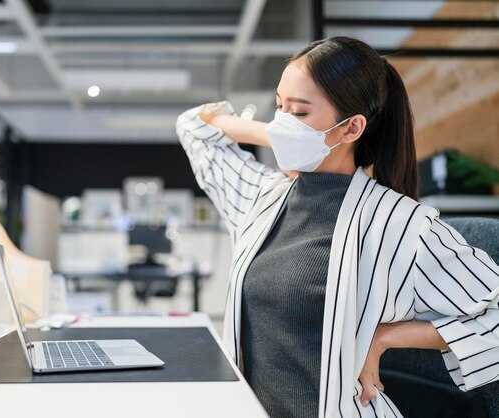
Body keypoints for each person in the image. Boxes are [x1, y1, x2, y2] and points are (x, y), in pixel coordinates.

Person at [175, 36, 499, 418]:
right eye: (279, 107)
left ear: (351, 128)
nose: (281, 122)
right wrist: (281, 136)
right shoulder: (263, 199)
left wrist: (386, 338)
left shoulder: (400, 225)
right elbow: (195, 127)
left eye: (299, 113)